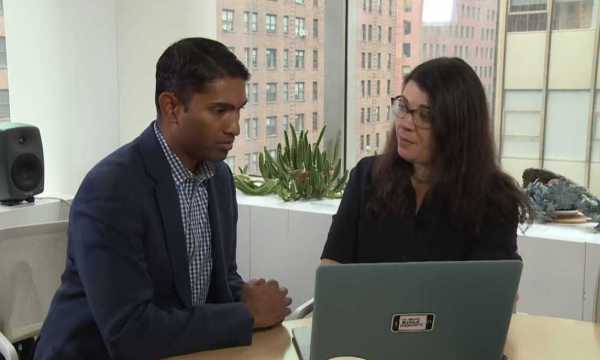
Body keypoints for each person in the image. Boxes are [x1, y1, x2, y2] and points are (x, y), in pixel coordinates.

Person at [34, 38, 291, 360]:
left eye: (238, 110)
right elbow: (129, 332)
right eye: (219, 110)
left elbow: (217, 282)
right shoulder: (111, 189)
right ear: (171, 107)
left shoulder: (219, 178)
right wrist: (248, 314)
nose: (235, 127)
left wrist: (245, 295)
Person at [321, 57, 532, 265]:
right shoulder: (366, 176)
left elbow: (489, 291)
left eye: (424, 116)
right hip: (362, 302)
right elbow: (332, 268)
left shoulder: (495, 200)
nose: (404, 123)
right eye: (402, 107)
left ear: (458, 127)